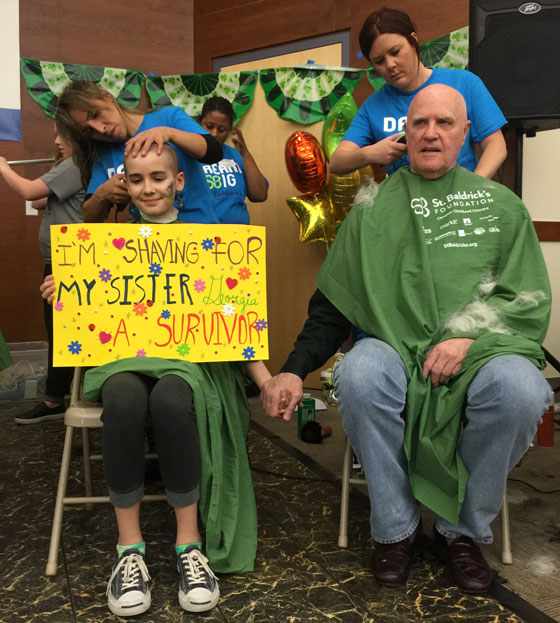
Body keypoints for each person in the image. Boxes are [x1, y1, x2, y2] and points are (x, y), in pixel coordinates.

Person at [261, 85, 552, 593]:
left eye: (444, 123)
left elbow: (524, 297)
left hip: (480, 349)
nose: (431, 133)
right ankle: (396, 529)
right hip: (392, 345)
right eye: (419, 123)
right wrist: (291, 367)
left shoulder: (502, 206)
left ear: (465, 133)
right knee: (359, 373)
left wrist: (466, 339)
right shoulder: (371, 210)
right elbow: (334, 305)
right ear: (405, 132)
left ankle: (461, 531)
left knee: (522, 391)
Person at [41, 143, 271, 616]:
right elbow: (85, 304)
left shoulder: (208, 238)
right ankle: (131, 551)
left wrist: (266, 381)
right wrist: (62, 289)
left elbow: (236, 317)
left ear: (178, 182)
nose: (149, 188)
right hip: (122, 358)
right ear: (126, 184)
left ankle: (189, 546)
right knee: (123, 402)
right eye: (138, 179)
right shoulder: (105, 243)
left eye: (159, 178)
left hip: (186, 361)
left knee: (171, 401)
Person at [330, 7, 507, 179]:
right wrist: (370, 154)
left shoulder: (464, 82)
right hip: (406, 204)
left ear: (413, 41)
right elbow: (337, 163)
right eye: (379, 61)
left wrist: (472, 192)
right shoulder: (373, 106)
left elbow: (496, 146)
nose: (390, 65)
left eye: (395, 52)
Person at [0, 127, 85, 424]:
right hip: (58, 261)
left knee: (63, 334)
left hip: (69, 263)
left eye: (62, 134)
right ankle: (57, 397)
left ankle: (54, 401)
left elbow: (28, 192)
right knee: (59, 333)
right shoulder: (67, 166)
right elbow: (38, 201)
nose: (56, 140)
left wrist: (2, 166)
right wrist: (50, 177)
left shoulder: (77, 165)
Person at [54, 80, 223, 224]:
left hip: (199, 240)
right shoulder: (104, 152)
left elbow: (214, 152)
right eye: (89, 131)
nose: (101, 129)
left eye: (96, 114)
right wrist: (102, 194)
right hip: (148, 247)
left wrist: (169, 133)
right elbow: (89, 219)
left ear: (106, 96)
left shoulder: (168, 118)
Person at [198, 96, 268, 224]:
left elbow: (260, 195)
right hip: (200, 237)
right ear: (199, 123)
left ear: (229, 130)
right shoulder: (188, 153)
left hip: (237, 238)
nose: (214, 133)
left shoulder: (236, 156)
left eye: (221, 129)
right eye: (209, 126)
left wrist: (245, 155)